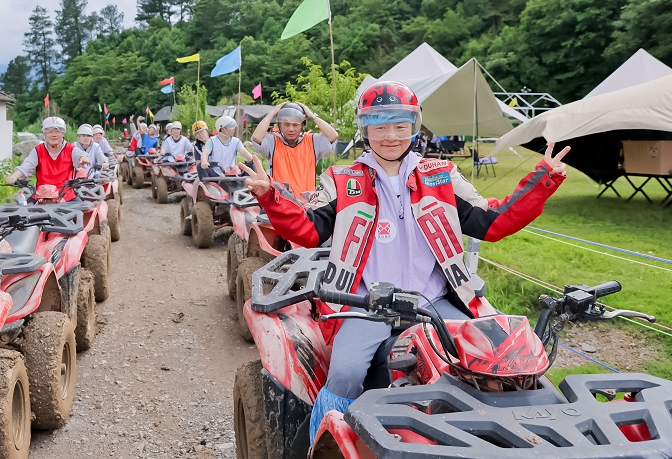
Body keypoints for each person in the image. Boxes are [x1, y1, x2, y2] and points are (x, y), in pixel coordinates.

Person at [240, 81, 570, 443]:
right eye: (380, 126)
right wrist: (270, 196)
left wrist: (542, 181)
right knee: (345, 373)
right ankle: (323, 443)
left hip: (435, 299)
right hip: (364, 304)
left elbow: (490, 222)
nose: (391, 136)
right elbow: (308, 229)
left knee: (494, 362)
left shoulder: (441, 174)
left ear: (414, 126)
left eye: (400, 125)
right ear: (365, 129)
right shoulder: (342, 178)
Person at [250, 101, 338, 196]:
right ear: (280, 126)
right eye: (286, 124)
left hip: (307, 201)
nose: (291, 129)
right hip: (281, 201)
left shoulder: (313, 141)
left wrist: (312, 116)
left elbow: (333, 135)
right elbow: (257, 137)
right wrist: (272, 113)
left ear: (302, 125)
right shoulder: (273, 143)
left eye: (295, 125)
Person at [5, 117, 90, 195]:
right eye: (50, 131)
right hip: (42, 197)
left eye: (57, 131)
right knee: (22, 203)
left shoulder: (71, 149)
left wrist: (83, 158)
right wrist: (14, 176)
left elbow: (80, 155)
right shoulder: (38, 150)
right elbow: (26, 166)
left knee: (84, 205)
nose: (54, 135)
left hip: (65, 197)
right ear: (44, 133)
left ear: (63, 133)